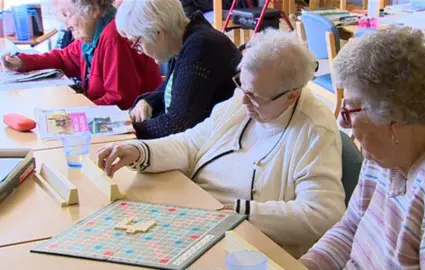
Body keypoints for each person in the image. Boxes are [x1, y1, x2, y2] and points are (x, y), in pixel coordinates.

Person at [97, 29, 345, 257]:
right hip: (198, 214)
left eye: (255, 97)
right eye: (241, 85)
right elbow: (191, 144)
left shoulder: (315, 130)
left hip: (245, 243)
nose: (243, 101)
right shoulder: (243, 97)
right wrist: (139, 151)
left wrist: (240, 213)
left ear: (291, 96)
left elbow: (323, 215)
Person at [300, 27, 425, 269]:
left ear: (393, 117)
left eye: (350, 109)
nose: (341, 121)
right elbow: (351, 226)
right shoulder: (386, 151)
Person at [1, 0, 162, 110]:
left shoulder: (115, 36)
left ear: (93, 9)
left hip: (134, 127)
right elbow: (64, 59)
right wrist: (21, 62)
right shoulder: (91, 36)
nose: (66, 24)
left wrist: (76, 110)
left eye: (67, 14)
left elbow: (121, 100)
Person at [115, 0, 242, 139]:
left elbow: (178, 125)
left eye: (138, 43)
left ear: (158, 32)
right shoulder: (181, 41)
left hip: (220, 143)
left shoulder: (199, 48)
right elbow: (179, 85)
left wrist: (127, 128)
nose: (139, 51)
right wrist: (149, 101)